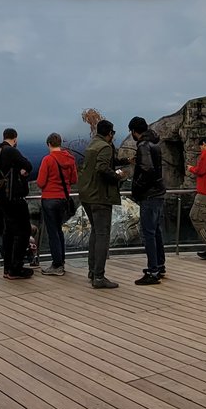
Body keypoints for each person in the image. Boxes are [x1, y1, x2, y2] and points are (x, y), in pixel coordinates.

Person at [77, 120, 126, 289]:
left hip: (87, 195)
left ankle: (92, 271)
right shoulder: (105, 147)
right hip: (100, 196)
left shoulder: (93, 144)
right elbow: (102, 167)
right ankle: (99, 276)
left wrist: (124, 161)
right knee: (103, 235)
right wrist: (118, 176)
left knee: (96, 233)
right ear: (110, 133)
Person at [127, 118, 166, 285]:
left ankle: (153, 271)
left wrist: (136, 188)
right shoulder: (154, 144)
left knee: (148, 233)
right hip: (158, 193)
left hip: (149, 195)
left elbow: (147, 170)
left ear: (134, 131)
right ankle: (159, 265)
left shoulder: (143, 145)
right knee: (156, 231)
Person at [0, 129, 33, 281]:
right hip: (14, 198)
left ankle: (7, 268)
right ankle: (16, 268)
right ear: (15, 139)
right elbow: (28, 165)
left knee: (9, 232)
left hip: (2, 198)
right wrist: (22, 172)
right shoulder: (11, 151)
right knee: (24, 231)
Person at [34, 133, 77, 277]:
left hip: (49, 199)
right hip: (63, 199)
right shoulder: (70, 159)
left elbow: (40, 182)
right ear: (60, 143)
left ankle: (57, 265)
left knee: (52, 232)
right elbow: (74, 180)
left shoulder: (48, 159)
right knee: (59, 231)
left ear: (49, 144)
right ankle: (61, 261)